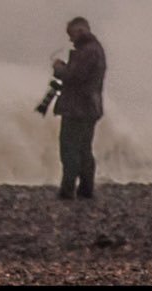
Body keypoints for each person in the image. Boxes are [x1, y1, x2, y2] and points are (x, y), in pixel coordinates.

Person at [51, 16, 107, 200]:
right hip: (89, 107)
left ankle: (68, 190)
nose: (70, 39)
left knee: (70, 148)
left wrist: (59, 68)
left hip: (77, 108)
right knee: (83, 149)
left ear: (80, 31)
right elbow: (81, 75)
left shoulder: (88, 51)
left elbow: (74, 76)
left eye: (71, 35)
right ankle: (85, 189)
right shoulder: (95, 49)